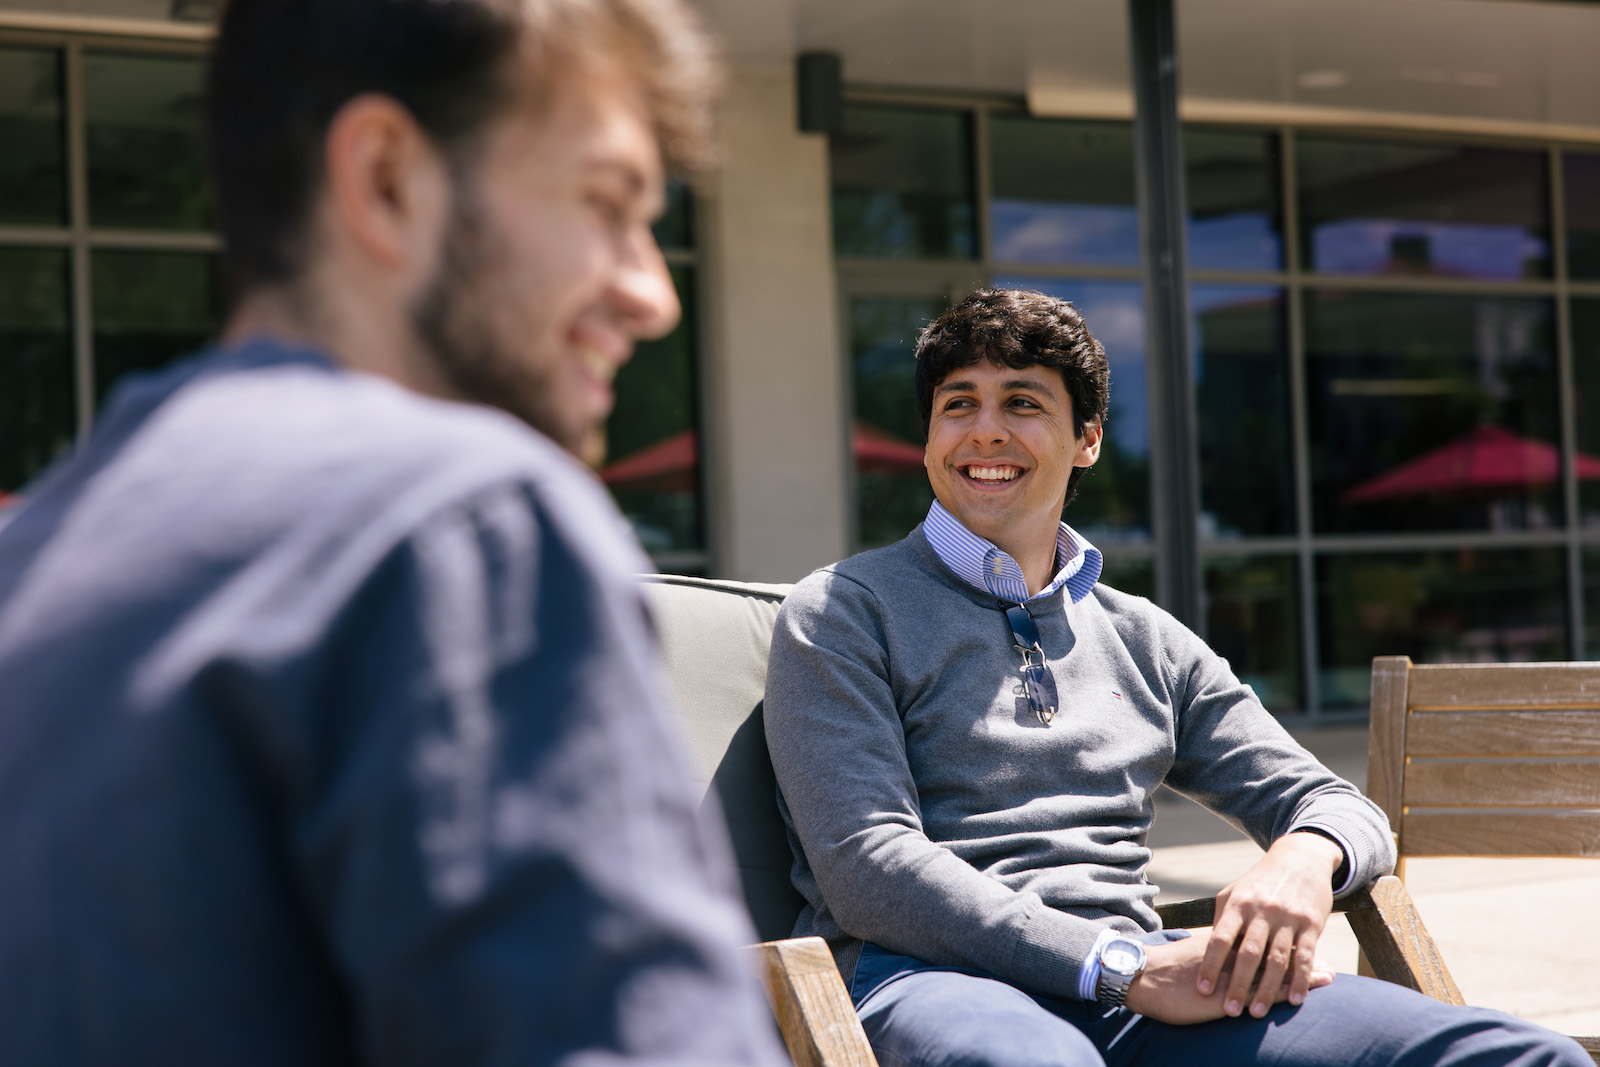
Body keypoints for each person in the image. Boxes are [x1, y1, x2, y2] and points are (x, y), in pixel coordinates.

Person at [0, 1, 788, 1064]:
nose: (653, 295)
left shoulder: (49, 544)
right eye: (605, 203)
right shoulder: (464, 521)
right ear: (386, 178)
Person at [764, 287, 1589, 1067]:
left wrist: (1303, 857)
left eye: (1022, 402)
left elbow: (1339, 807)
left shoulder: (1144, 636)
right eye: (958, 404)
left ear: (1087, 438)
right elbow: (868, 865)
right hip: (934, 981)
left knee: (1518, 1055)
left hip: (1146, 991)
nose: (985, 431)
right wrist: (1113, 963)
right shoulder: (843, 611)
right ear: (928, 439)